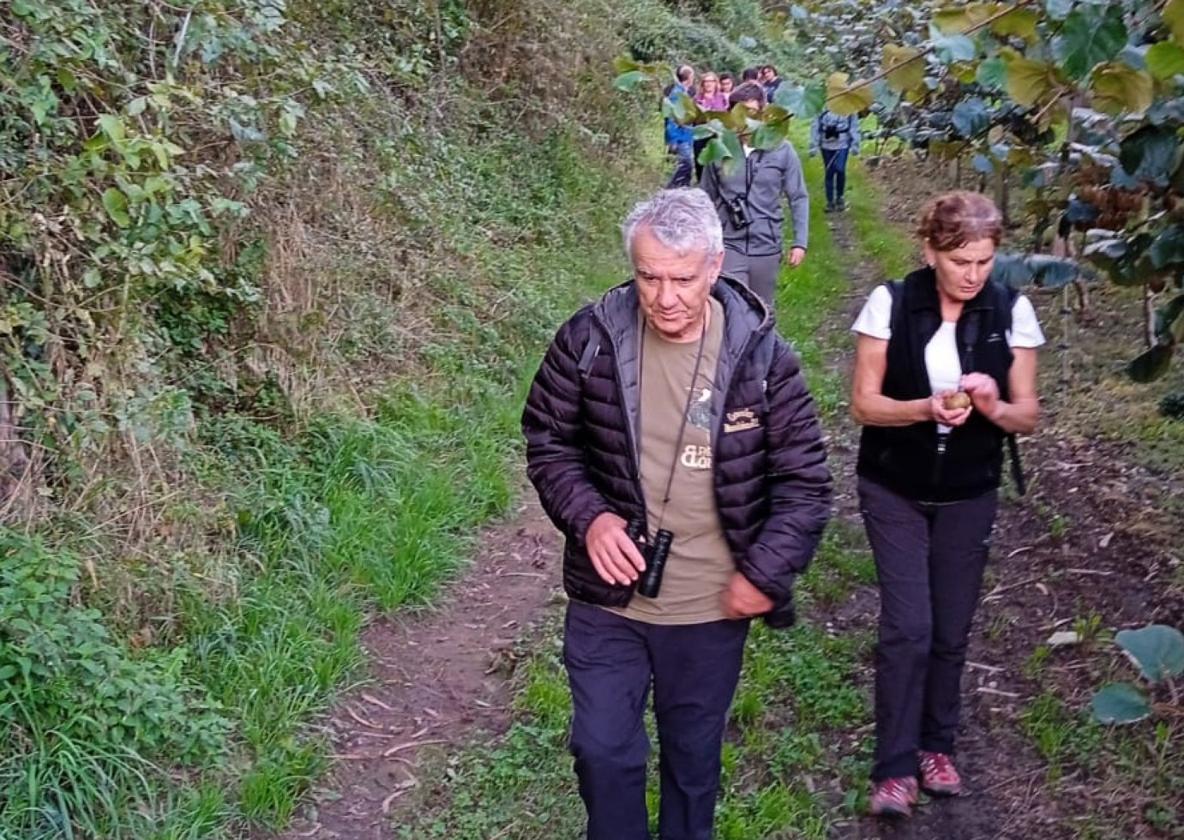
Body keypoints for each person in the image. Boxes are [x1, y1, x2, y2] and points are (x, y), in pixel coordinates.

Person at [522, 188, 832, 840]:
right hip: (607, 604)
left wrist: (764, 574)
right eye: (649, 276)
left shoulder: (764, 362)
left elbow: (806, 485)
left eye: (682, 279)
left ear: (715, 267)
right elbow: (548, 442)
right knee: (603, 753)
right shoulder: (590, 341)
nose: (664, 297)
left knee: (693, 764)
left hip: (709, 611)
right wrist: (591, 518)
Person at [849, 191, 1044, 817]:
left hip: (968, 491)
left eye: (984, 261)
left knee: (951, 628)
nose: (972, 274)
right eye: (960, 259)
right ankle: (894, 769)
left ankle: (937, 746)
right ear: (930, 250)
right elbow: (864, 405)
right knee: (910, 626)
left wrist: (990, 405)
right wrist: (923, 409)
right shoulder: (893, 304)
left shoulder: (1011, 312)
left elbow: (1027, 415)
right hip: (893, 486)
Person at [699, 82, 810, 307]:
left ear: (762, 112)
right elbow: (704, 198)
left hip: (766, 245)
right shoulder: (719, 148)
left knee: (761, 310)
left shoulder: (783, 150)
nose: (746, 120)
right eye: (740, 112)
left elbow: (798, 196)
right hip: (728, 244)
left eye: (751, 113)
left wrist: (800, 242)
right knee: (730, 307)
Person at [809, 109, 862, 212]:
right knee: (829, 172)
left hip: (842, 143)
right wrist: (813, 145)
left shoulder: (848, 105)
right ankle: (830, 201)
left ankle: (840, 197)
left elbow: (854, 125)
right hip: (826, 144)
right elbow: (815, 125)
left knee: (840, 169)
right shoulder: (822, 105)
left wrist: (855, 143)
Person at [693, 72, 728, 183]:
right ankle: (701, 183)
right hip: (701, 133)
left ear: (715, 83)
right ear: (702, 84)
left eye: (711, 81)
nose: (708, 84)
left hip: (716, 134)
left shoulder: (721, 97)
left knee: (716, 161)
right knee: (700, 159)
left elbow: (726, 114)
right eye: (706, 81)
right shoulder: (697, 98)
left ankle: (715, 183)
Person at [665, 65, 696, 188]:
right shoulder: (677, 94)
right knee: (685, 165)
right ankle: (675, 189)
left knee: (685, 166)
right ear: (689, 77)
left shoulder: (683, 93)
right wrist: (672, 139)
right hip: (680, 136)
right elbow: (672, 118)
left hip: (685, 135)